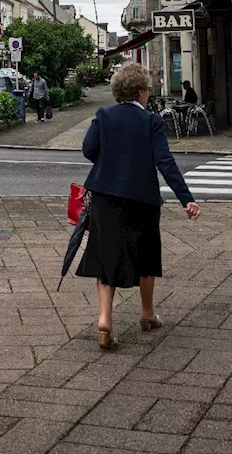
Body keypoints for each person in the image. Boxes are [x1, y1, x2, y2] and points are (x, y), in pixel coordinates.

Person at [76, 62, 200, 350]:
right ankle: (146, 314)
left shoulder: (103, 115)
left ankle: (105, 320)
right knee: (146, 255)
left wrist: (111, 161)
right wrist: (186, 199)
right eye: (148, 90)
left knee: (106, 256)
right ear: (141, 92)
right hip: (142, 198)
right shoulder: (151, 122)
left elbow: (88, 150)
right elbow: (165, 163)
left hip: (105, 196)